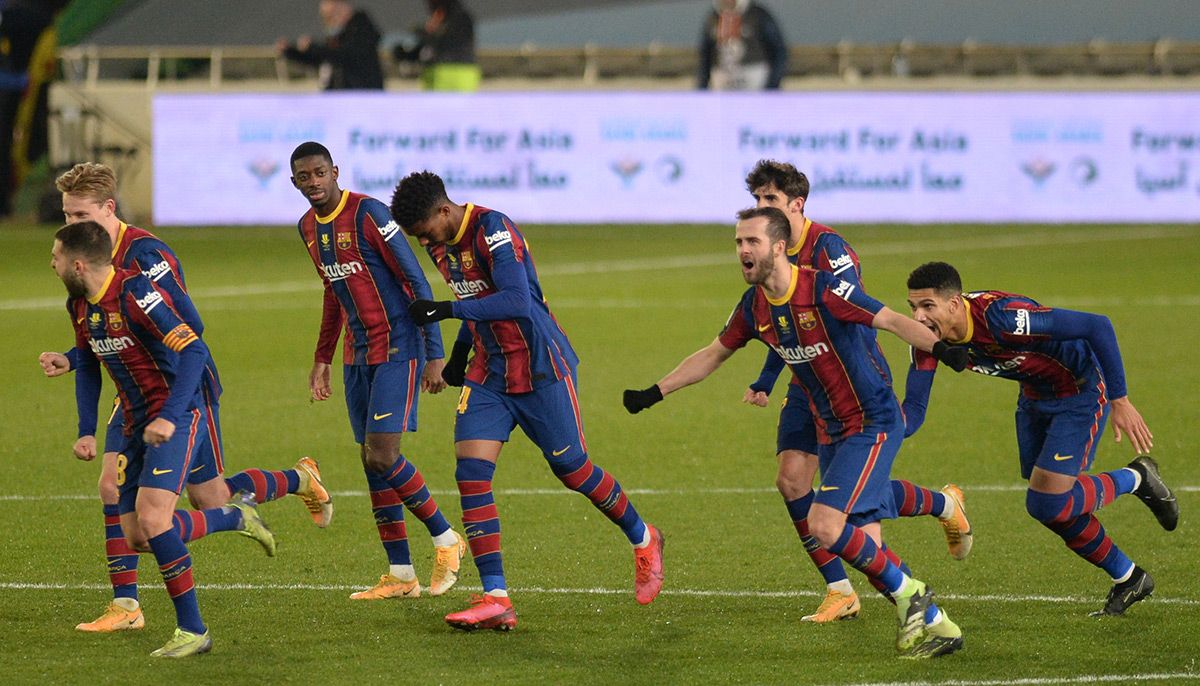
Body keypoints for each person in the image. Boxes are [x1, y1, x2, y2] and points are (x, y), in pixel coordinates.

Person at [623, 207, 969, 658]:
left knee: (825, 524)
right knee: (858, 535)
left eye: (753, 242)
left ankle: (917, 599)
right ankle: (933, 615)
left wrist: (941, 349)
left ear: (780, 246)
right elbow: (713, 353)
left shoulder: (823, 290)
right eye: (738, 243)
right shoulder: (754, 306)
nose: (743, 251)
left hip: (872, 421)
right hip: (831, 429)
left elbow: (888, 319)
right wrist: (655, 392)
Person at [39, 162, 332, 634]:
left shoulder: (146, 256)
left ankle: (298, 479)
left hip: (181, 386)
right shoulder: (84, 268)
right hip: (132, 390)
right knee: (111, 488)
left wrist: (172, 405)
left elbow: (188, 328)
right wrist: (75, 360)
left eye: (79, 216)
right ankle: (126, 604)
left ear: (108, 209)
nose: (71, 226)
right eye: (67, 216)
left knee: (208, 496)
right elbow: (105, 331)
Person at [389, 170, 665, 632]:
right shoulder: (441, 245)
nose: (423, 243)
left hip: (541, 367)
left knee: (573, 471)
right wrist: (460, 355)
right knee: (471, 473)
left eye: (424, 232)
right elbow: (473, 296)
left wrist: (445, 310)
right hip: (489, 373)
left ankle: (644, 538)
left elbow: (516, 300)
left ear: (443, 211)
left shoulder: (493, 229)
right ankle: (496, 598)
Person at [740, 160, 972, 623]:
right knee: (792, 482)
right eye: (758, 201)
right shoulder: (767, 253)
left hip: (850, 380)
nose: (761, 210)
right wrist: (766, 379)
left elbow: (852, 316)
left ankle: (940, 516)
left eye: (770, 201)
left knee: (856, 516)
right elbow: (779, 323)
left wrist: (938, 350)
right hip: (806, 380)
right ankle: (840, 589)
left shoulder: (830, 251)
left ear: (795, 204)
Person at [51, 221, 280, 657]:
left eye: (56, 257)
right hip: (135, 422)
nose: (52, 263)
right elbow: (92, 364)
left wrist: (172, 416)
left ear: (78, 263)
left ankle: (194, 631)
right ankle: (233, 517)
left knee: (156, 520)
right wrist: (85, 428)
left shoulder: (137, 293)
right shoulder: (79, 304)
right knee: (137, 535)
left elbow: (192, 347)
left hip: (175, 416)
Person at [904, 261, 1179, 616]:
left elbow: (1097, 326)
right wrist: (871, 428)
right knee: (1050, 507)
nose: (919, 317)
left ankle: (1137, 477)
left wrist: (1120, 399)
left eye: (928, 306)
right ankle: (1129, 577)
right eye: (913, 307)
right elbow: (913, 413)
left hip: (1078, 390)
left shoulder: (1004, 318)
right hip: (1034, 395)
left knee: (1047, 502)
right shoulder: (927, 342)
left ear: (954, 304)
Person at [289, 142, 465, 600]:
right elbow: (333, 293)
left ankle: (447, 540)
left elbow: (415, 279)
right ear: (294, 182)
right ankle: (401, 574)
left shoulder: (368, 214)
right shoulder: (308, 228)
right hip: (357, 354)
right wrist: (322, 357)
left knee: (383, 455)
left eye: (319, 173)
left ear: (335, 172)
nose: (313, 182)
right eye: (304, 177)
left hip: (398, 346)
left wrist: (433, 353)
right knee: (371, 462)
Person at [276, 0, 384, 91]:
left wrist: (314, 48)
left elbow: (345, 56)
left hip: (359, 98)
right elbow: (323, 60)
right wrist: (291, 52)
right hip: (336, 100)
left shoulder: (361, 30)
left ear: (340, 7)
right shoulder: (338, 35)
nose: (328, 21)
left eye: (329, 16)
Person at [697, 0, 788, 91]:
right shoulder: (712, 19)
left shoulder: (758, 15)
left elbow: (779, 51)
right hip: (723, 83)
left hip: (755, 82)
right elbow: (705, 56)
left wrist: (772, 85)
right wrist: (701, 87)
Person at [393, 0, 480, 92]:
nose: (429, 5)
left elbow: (446, 44)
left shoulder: (460, 18)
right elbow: (428, 49)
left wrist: (424, 33)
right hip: (437, 75)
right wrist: (407, 55)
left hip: (455, 73)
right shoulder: (440, 20)